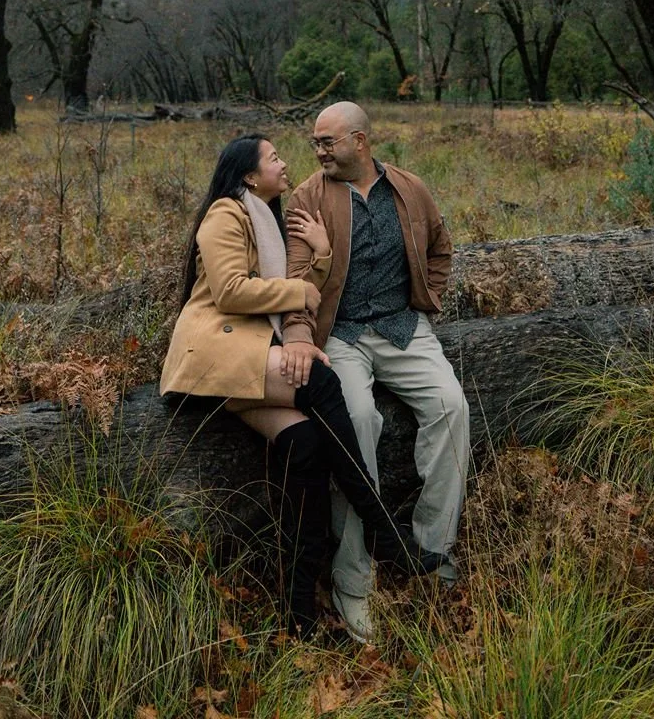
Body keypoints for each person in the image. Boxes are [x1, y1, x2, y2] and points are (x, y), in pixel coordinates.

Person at [160, 132, 446, 638]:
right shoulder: (225, 214)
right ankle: (381, 529)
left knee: (307, 447)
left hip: (247, 357)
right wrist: (302, 292)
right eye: (274, 158)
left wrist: (316, 254)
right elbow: (230, 291)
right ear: (250, 175)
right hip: (211, 358)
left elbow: (290, 292)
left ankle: (300, 614)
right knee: (322, 381)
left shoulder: (267, 217)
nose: (285, 162)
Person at [282, 102, 471, 643]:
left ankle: (431, 551)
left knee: (451, 406)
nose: (317, 152)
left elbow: (440, 245)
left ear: (360, 141)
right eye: (314, 142)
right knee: (359, 423)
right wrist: (300, 334)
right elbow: (296, 278)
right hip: (340, 333)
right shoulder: (308, 198)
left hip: (403, 328)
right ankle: (353, 579)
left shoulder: (409, 188)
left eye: (327, 142)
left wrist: (427, 295)